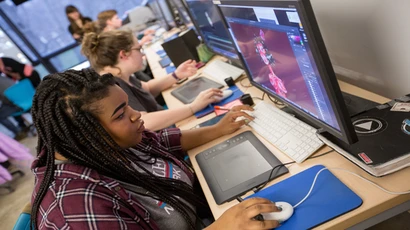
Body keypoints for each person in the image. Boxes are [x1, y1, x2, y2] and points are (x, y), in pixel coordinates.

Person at [30, 68, 280, 230]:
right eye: (120, 115)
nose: (136, 115)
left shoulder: (109, 144)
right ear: (85, 136)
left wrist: (218, 130)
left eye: (128, 106)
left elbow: (161, 141)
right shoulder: (77, 210)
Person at [81, 30, 223, 131]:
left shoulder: (120, 74)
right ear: (124, 54)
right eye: (139, 49)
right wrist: (193, 107)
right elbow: (144, 121)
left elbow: (147, 87)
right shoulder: (112, 85)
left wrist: (176, 75)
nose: (142, 53)